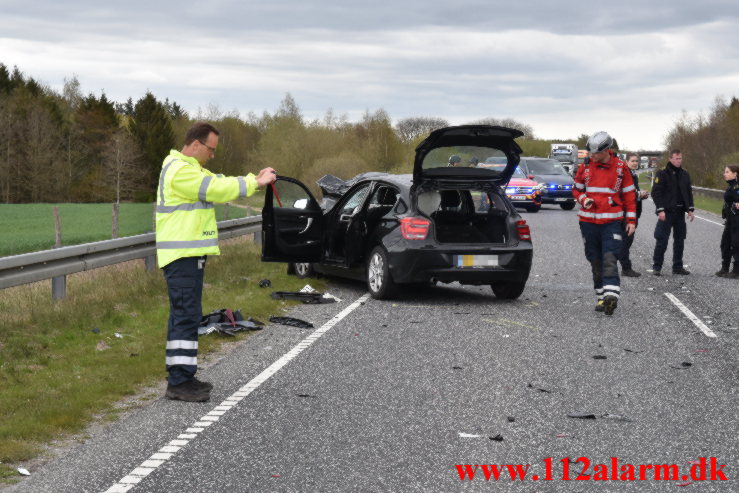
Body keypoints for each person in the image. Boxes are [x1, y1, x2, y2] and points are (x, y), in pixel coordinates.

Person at [156, 122, 277, 402]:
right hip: (181, 255)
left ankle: (182, 376)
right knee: (185, 317)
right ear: (196, 144)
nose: (212, 155)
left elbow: (221, 180)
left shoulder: (189, 167)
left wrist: (252, 179)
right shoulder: (180, 170)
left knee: (184, 317)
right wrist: (255, 182)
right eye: (210, 149)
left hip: (188, 255)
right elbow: (215, 189)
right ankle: (179, 382)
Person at [573, 131, 636, 315]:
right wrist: (584, 199)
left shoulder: (620, 168)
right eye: (590, 153)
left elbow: (629, 196)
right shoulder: (584, 167)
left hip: (612, 222)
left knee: (610, 258)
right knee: (595, 260)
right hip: (588, 222)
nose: (592, 156)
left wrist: (631, 219)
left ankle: (611, 296)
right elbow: (576, 191)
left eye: (595, 153)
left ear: (607, 150)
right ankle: (601, 297)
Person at [650, 150, 694, 276]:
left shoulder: (685, 174)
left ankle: (678, 267)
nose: (678, 161)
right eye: (676, 158)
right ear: (670, 159)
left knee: (680, 240)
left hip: (680, 213)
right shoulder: (662, 173)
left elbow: (688, 193)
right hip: (667, 212)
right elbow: (656, 193)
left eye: (680, 158)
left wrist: (690, 209)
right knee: (662, 240)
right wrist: (660, 209)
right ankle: (657, 266)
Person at [619, 153, 650, 276]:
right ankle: (626, 268)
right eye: (632, 161)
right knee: (626, 241)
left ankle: (624, 266)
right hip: (626, 213)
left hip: (634, 211)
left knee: (627, 241)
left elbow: (632, 193)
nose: (635, 163)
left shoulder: (634, 175)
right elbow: (623, 193)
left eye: (636, 161)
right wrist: (638, 194)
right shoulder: (623, 175)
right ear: (626, 162)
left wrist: (640, 196)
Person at [716, 164, 739, 278]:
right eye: (725, 172)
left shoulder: (737, 187)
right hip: (730, 220)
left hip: (737, 220)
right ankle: (725, 268)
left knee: (736, 244)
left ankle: (736, 271)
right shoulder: (731, 186)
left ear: (735, 174)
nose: (724, 174)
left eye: (727, 172)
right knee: (725, 244)